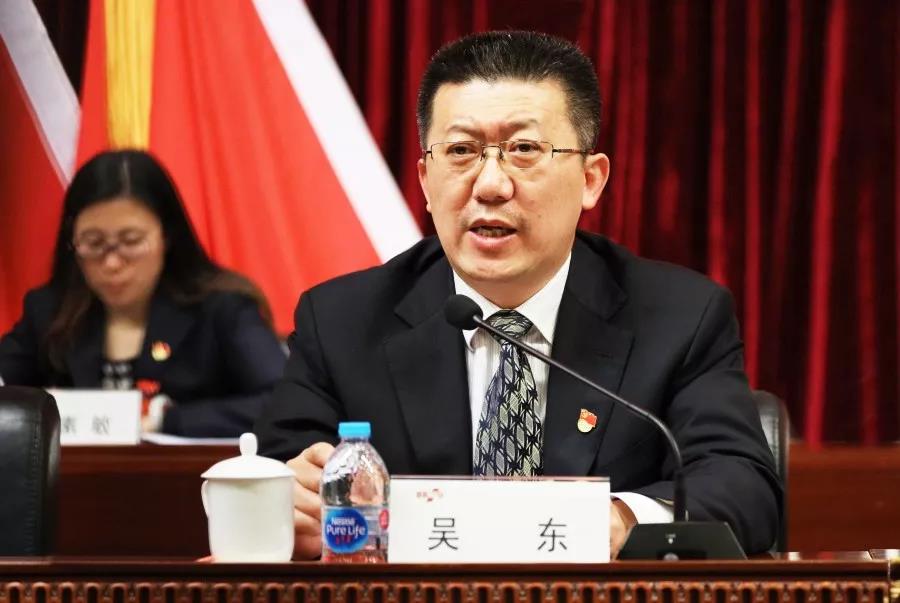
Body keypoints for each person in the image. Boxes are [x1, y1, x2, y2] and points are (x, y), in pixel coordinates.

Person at [254, 31, 781, 558]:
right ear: (426, 180)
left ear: (591, 180)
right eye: (461, 151)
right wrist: (287, 502)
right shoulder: (341, 322)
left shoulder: (680, 317)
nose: (490, 185)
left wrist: (623, 520)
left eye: (524, 150)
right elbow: (276, 477)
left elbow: (743, 486)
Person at [0, 150, 286, 436]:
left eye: (131, 241)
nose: (112, 263)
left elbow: (284, 402)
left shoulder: (223, 309)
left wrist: (167, 420)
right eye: (93, 243)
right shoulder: (50, 311)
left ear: (166, 236)